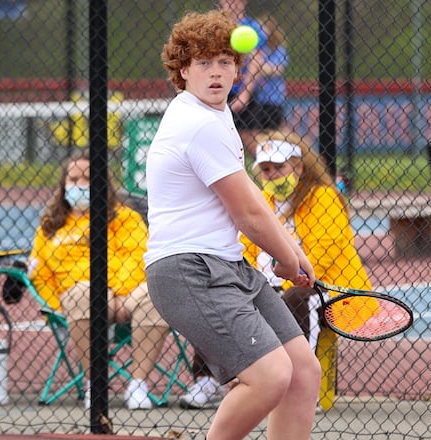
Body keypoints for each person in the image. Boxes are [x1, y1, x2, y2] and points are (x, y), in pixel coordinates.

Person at [145, 10, 320, 440]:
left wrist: (292, 251)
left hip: (227, 266)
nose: (217, 72)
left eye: (225, 62)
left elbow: (251, 200)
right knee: (270, 376)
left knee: (302, 371)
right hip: (187, 272)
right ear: (183, 70)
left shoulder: (217, 114)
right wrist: (287, 258)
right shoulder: (196, 123)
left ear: (238, 68)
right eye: (204, 63)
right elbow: (248, 213)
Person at [179, 130, 373, 410]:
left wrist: (288, 280)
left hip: (324, 286)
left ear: (299, 166)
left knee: (297, 298)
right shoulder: (260, 200)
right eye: (266, 169)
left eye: (279, 167)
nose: (272, 175)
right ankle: (209, 381)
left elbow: (325, 253)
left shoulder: (324, 197)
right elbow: (242, 246)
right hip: (266, 283)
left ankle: (304, 388)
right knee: (218, 294)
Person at [27, 149, 169, 410]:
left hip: (126, 296)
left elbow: (137, 256)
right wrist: (52, 306)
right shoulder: (51, 224)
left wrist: (115, 293)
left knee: (155, 295)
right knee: (83, 293)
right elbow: (39, 273)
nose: (80, 185)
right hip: (75, 300)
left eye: (87, 179)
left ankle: (137, 385)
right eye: (73, 179)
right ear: (63, 185)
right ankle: (96, 384)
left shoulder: (123, 216)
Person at [231, 13, 289, 157]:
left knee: (274, 133)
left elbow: (276, 69)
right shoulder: (258, 50)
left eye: (264, 29)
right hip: (260, 99)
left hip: (273, 100)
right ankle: (271, 158)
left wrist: (254, 62)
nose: (261, 32)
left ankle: (277, 158)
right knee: (255, 133)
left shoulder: (278, 50)